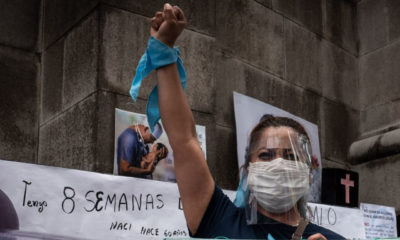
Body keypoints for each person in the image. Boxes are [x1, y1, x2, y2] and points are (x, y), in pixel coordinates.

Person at [149, 3, 345, 239]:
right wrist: (163, 52)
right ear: (247, 170)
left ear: (309, 172)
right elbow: (184, 139)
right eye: (265, 155)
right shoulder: (217, 218)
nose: (279, 164)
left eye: (291, 156)